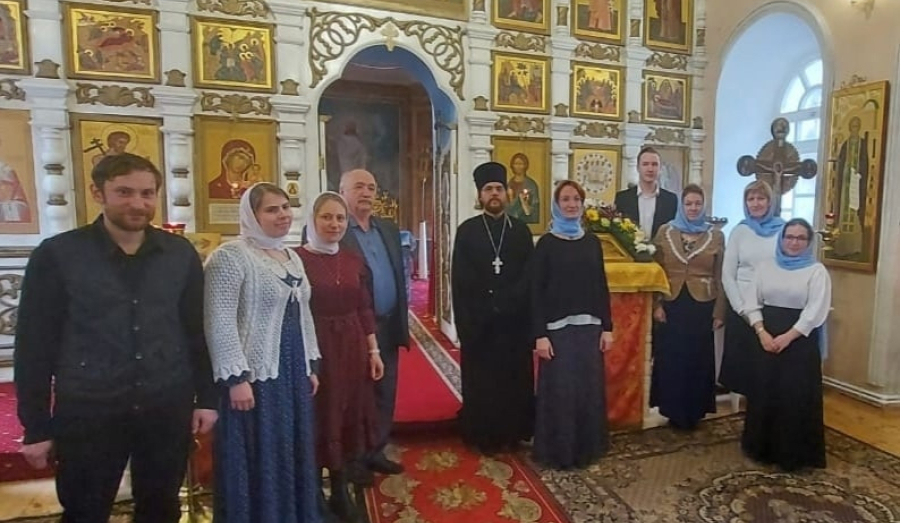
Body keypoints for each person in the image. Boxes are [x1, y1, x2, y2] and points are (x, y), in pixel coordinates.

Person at [14, 153, 218, 523]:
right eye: (124, 192)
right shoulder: (58, 255)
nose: (138, 203)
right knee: (85, 511)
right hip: (90, 408)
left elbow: (195, 330)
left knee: (161, 508)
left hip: (164, 405)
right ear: (98, 193)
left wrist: (206, 398)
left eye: (147, 193)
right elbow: (34, 346)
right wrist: (36, 425)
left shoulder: (179, 254)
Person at [204, 182, 322, 523]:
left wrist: (310, 363)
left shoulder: (292, 257)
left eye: (285, 207)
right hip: (254, 376)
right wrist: (235, 378)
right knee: (260, 450)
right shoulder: (230, 257)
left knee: (289, 445)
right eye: (272, 209)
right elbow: (218, 320)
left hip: (292, 370)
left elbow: (303, 314)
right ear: (251, 215)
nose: (283, 215)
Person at [297, 191, 384, 522]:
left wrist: (374, 350)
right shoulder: (296, 259)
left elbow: (364, 307)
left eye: (340, 218)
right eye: (326, 217)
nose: (334, 224)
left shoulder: (352, 260)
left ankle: (339, 487)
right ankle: (314, 492)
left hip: (352, 346)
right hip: (315, 346)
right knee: (322, 415)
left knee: (347, 411)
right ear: (313, 219)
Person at [451, 162, 535, 454]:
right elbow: (461, 280)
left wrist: (509, 303)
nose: (494, 193)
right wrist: (482, 311)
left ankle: (514, 433)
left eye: (499, 188)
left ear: (507, 193)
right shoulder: (467, 231)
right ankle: (483, 435)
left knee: (514, 380)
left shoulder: (520, 231)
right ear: (480, 195)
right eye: (488, 189)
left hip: (514, 324)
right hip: (481, 325)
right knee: (483, 382)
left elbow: (529, 276)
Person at [531, 180, 614, 469]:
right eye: (565, 199)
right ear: (557, 205)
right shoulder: (546, 244)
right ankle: (560, 453)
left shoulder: (591, 242)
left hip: (590, 330)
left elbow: (601, 285)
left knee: (587, 392)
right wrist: (540, 335)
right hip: (557, 332)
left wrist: (608, 327)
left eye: (576, 199)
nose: (571, 204)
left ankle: (587, 450)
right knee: (562, 393)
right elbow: (536, 292)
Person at [741, 218, 830, 471]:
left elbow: (815, 311)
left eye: (801, 238)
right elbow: (752, 302)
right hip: (766, 336)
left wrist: (788, 337)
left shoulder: (817, 271)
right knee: (765, 391)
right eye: (789, 237)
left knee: (795, 396)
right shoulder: (765, 267)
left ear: (808, 242)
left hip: (799, 341)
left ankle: (794, 455)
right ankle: (761, 449)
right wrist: (762, 333)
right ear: (781, 239)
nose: (794, 242)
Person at [338, 169, 408, 484]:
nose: (366, 192)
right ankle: (352, 459)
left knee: (385, 392)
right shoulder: (335, 228)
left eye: (371, 187)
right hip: (353, 329)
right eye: (358, 187)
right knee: (355, 395)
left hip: (388, 324)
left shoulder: (388, 229)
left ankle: (376, 450)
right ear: (342, 191)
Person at [650, 184, 726, 430]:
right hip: (672, 304)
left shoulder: (716, 235)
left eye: (697, 203)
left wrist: (719, 312)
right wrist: (657, 304)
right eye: (688, 203)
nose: (693, 208)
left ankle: (695, 411)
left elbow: (720, 275)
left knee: (697, 359)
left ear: (703, 206)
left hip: (702, 306)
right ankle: (671, 409)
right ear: (681, 206)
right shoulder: (665, 231)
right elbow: (656, 271)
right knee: (672, 358)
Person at [720, 180, 783, 396]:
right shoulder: (740, 231)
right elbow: (728, 274)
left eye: (761, 198)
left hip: (771, 306)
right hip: (741, 308)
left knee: (768, 369)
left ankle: (765, 410)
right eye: (750, 199)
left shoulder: (783, 230)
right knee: (744, 369)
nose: (755, 203)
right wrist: (741, 308)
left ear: (770, 202)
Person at [614, 146, 678, 240]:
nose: (650, 169)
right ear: (638, 168)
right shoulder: (622, 198)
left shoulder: (671, 200)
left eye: (654, 164)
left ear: (660, 168)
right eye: (645, 164)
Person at [833, 116, 868, 257]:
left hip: (857, 184)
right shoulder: (846, 144)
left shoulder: (863, 144)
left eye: (857, 126)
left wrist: (859, 172)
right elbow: (840, 163)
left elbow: (865, 162)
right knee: (844, 210)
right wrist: (845, 172)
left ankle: (855, 246)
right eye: (852, 126)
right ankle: (842, 246)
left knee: (855, 210)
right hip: (846, 184)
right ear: (849, 128)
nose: (854, 129)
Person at [505, 153, 541, 225]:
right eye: (516, 164)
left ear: (525, 166)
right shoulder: (509, 184)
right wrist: (510, 197)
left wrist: (525, 203)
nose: (518, 166)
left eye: (521, 164)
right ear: (512, 165)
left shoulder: (531, 184)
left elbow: (535, 208)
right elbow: (506, 209)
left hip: (525, 221)